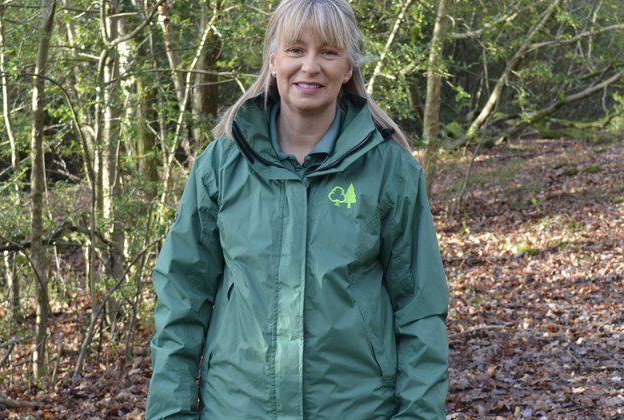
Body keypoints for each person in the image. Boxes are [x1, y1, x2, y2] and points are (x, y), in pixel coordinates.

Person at [146, 0, 449, 418]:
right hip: (237, 408)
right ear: (273, 60)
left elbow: (420, 311)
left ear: (348, 69)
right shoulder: (220, 166)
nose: (310, 66)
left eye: (328, 51)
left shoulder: (391, 172)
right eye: (295, 50)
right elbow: (181, 299)